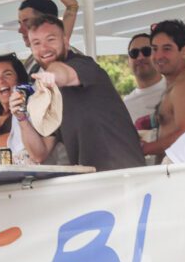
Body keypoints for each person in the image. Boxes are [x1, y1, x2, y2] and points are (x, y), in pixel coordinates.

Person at [9, 14, 145, 172]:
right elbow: (39, 154)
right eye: (36, 43)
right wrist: (21, 117)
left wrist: (51, 76)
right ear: (31, 49)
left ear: (66, 42)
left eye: (51, 39)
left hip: (126, 172)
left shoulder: (84, 65)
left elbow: (63, 73)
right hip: (93, 180)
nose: (44, 48)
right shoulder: (50, 94)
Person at [141, 20, 185, 162]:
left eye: (167, 49)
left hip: (181, 176)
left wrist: (145, 148)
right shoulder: (176, 83)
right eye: (154, 49)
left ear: (184, 51)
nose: (158, 56)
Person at [18, 0, 79, 75]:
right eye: (20, 23)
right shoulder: (31, 61)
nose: (20, 30)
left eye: (26, 22)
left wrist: (72, 9)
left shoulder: (71, 58)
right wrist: (71, 9)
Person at [123, 33, 166, 124]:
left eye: (146, 51)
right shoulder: (125, 105)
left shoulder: (176, 90)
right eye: (134, 53)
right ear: (128, 60)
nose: (140, 57)